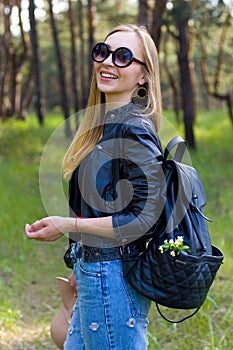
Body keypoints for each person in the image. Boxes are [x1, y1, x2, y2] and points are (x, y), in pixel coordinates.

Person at [25, 24, 163, 350]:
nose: (109, 62)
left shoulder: (134, 129)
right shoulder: (104, 126)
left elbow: (144, 219)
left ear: (144, 75)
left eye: (124, 56)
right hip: (94, 272)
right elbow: (102, 206)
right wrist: (80, 258)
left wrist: (66, 225)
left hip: (113, 280)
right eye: (103, 51)